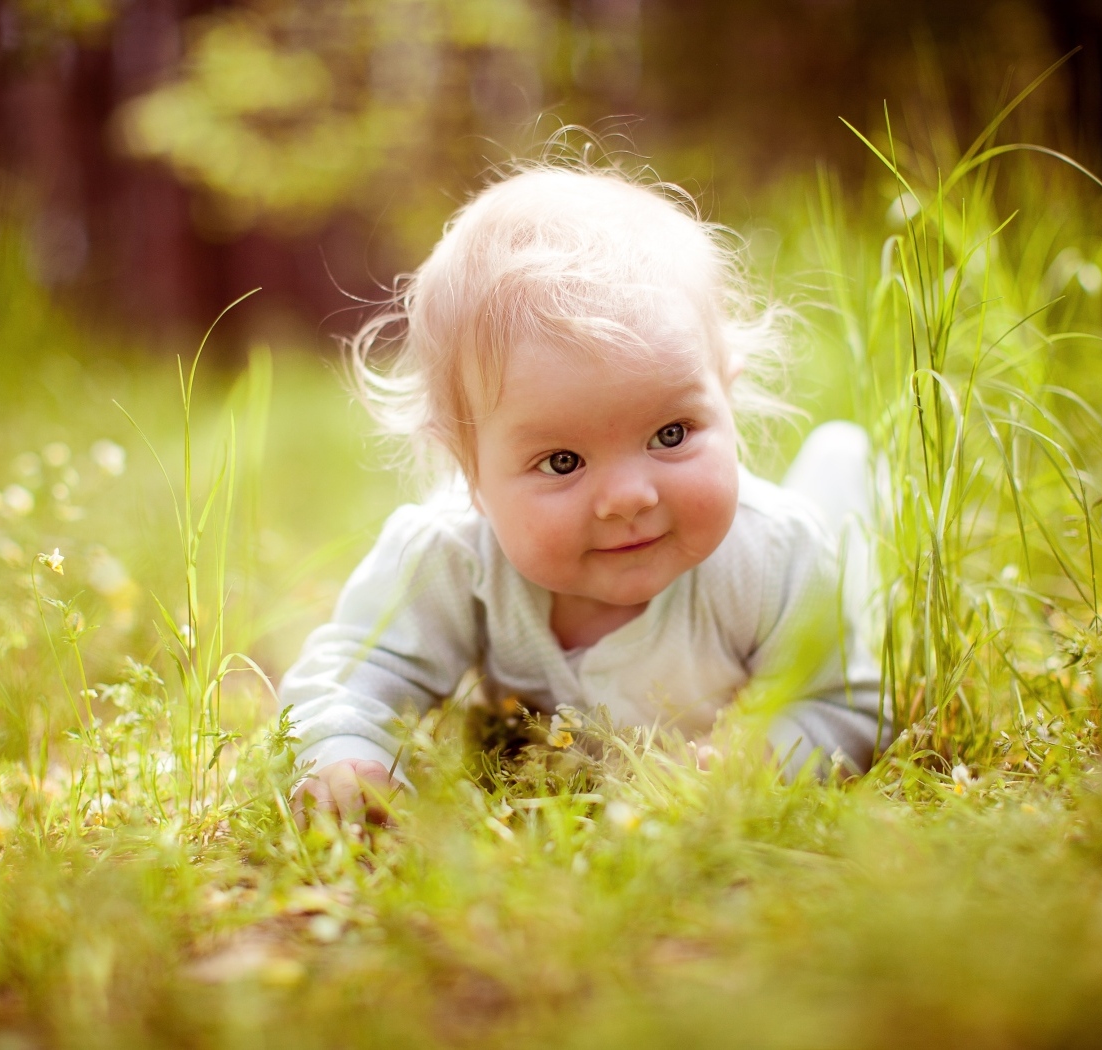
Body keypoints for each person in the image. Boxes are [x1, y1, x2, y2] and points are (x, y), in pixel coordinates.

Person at [284, 163, 886, 825]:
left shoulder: (777, 554)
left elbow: (842, 701)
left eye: (672, 432)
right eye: (563, 460)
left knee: (849, 550)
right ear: (470, 470)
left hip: (817, 553)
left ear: (727, 395)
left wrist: (764, 755)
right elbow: (355, 673)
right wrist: (346, 752)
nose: (628, 496)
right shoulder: (453, 557)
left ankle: (843, 468)